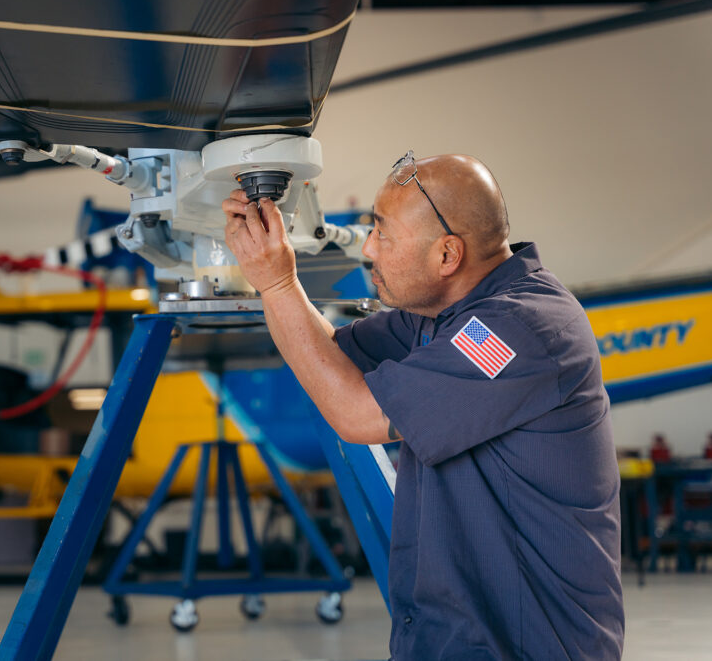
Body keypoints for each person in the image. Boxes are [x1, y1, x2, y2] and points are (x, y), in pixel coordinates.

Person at [222, 151, 624, 660]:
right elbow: (332, 356)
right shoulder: (441, 315)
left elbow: (357, 414)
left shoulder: (519, 328)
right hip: (448, 640)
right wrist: (272, 270)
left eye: (382, 232)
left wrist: (277, 283)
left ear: (447, 255)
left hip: (525, 646)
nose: (368, 248)